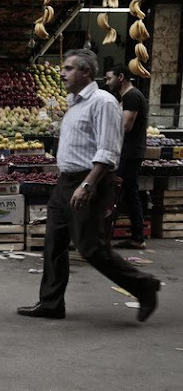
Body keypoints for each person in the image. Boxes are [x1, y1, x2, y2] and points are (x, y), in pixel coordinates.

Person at [17, 49, 160, 322]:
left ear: (85, 72)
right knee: (53, 242)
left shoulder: (103, 102)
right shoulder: (74, 102)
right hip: (65, 181)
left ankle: (143, 286)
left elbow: (108, 150)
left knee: (90, 247)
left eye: (69, 68)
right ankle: (51, 303)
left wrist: (88, 184)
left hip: (88, 181)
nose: (62, 73)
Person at [105, 64, 149, 249]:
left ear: (120, 77)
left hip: (128, 154)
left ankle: (103, 238)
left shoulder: (131, 96)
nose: (107, 82)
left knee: (114, 193)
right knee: (130, 193)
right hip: (130, 152)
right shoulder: (129, 96)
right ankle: (137, 237)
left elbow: (125, 127)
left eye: (109, 78)